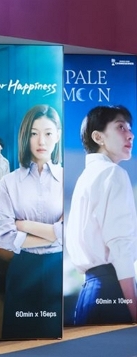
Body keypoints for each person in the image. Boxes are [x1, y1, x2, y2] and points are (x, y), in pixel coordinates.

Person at [0, 105, 63, 339]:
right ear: (25, 136)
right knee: (17, 345)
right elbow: (3, 236)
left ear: (58, 135)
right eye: (34, 133)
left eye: (48, 133)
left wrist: (23, 225)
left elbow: (70, 233)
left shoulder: (69, 180)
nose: (41, 140)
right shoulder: (9, 182)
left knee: (60, 348)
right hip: (23, 271)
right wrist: (53, 234)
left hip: (59, 271)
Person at [65, 105, 137, 325]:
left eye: (130, 128)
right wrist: (133, 307)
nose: (130, 134)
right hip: (113, 291)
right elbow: (120, 247)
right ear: (98, 137)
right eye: (120, 127)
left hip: (89, 294)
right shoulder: (113, 173)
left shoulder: (86, 177)